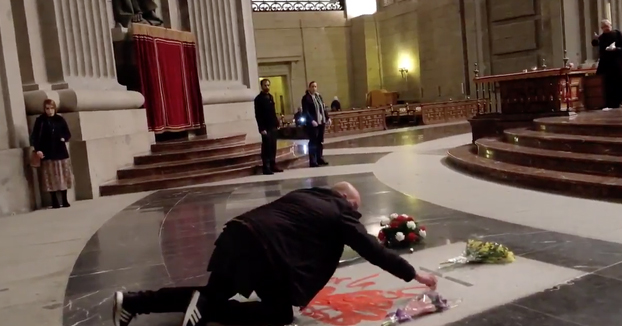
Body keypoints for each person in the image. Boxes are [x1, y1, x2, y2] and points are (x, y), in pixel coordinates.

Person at [111, 182, 437, 326]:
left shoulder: (306, 193)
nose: (356, 213)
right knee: (279, 314)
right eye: (356, 208)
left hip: (236, 234)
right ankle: (207, 311)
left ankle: (135, 301)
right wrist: (415, 274)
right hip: (262, 253)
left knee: (212, 292)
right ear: (348, 201)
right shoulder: (340, 211)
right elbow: (373, 251)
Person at [30, 99, 73, 209]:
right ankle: (54, 200)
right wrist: (38, 149)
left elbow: (67, 133)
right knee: (49, 177)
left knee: (63, 175)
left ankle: (64, 199)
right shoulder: (41, 121)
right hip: (47, 152)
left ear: (55, 108)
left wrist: (64, 138)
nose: (49, 111)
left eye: (51, 108)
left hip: (60, 151)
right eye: (47, 108)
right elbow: (35, 137)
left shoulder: (60, 119)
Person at [254, 79, 282, 175]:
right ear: (261, 86)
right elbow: (258, 115)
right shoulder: (258, 99)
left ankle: (273, 164)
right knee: (266, 148)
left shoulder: (270, 97)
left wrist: (277, 122)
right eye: (265, 85)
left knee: (273, 146)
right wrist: (261, 128)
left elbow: (273, 112)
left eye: (268, 85)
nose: (267, 87)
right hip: (265, 127)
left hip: (272, 125)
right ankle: (266, 167)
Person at [592, 19, 622, 108]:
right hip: (606, 65)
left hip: (617, 64)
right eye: (603, 27)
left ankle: (619, 102)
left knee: (618, 84)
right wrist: (595, 38)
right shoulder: (601, 37)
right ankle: (609, 104)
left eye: (607, 26)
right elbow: (595, 44)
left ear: (611, 25)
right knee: (607, 85)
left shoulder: (617, 34)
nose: (606, 28)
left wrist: (616, 49)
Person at [301, 81, 330, 167]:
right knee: (313, 142)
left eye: (315, 86)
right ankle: (313, 161)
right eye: (312, 86)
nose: (314, 88)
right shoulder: (306, 98)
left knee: (319, 141)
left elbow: (323, 108)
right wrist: (311, 120)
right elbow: (306, 112)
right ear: (309, 88)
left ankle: (319, 158)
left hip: (321, 122)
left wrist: (327, 117)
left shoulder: (318, 96)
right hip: (313, 123)